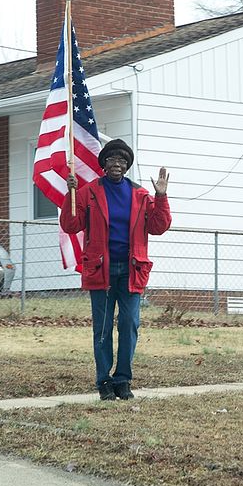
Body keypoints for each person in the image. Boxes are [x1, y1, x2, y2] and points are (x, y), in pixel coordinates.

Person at [62, 139, 171, 400]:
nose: (117, 164)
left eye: (122, 161)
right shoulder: (89, 193)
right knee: (102, 328)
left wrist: (161, 195)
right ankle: (104, 381)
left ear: (127, 166)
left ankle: (123, 379)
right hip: (101, 269)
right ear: (104, 164)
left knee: (129, 324)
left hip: (132, 269)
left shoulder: (141, 195)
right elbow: (71, 224)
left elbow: (159, 226)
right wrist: (71, 194)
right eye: (112, 160)